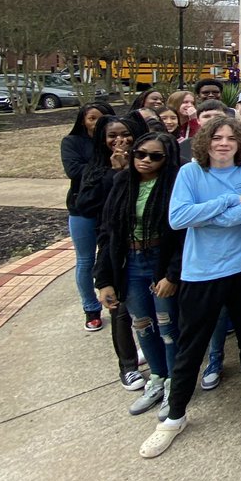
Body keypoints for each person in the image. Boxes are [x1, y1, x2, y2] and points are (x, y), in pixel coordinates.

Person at [139, 118, 241, 458]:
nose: (223, 144)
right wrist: (228, 201)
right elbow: (178, 218)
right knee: (190, 347)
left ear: (240, 142)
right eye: (217, 138)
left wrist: (207, 215)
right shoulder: (191, 173)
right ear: (205, 142)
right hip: (200, 272)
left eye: (230, 138)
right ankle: (174, 417)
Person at [94, 131, 184, 415]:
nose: (145, 160)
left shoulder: (174, 185)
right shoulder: (122, 183)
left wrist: (172, 275)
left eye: (155, 156)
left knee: (168, 326)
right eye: (140, 154)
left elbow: (184, 236)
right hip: (129, 263)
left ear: (167, 159)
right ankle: (157, 377)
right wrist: (104, 279)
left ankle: (175, 383)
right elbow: (107, 233)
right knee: (142, 324)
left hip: (160, 259)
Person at [75, 114, 143, 389]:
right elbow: (86, 206)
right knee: (121, 308)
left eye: (125, 134)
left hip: (148, 245)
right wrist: (115, 174)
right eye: (112, 136)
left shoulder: (149, 161)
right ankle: (127, 366)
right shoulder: (96, 169)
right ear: (102, 140)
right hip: (116, 245)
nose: (120, 140)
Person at [62, 101, 116, 331]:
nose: (97, 122)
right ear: (82, 121)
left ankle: (116, 302)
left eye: (102, 117)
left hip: (111, 207)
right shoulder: (72, 142)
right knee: (85, 260)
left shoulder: (116, 139)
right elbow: (73, 171)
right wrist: (107, 167)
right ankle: (90, 309)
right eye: (92, 118)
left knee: (112, 256)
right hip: (82, 208)